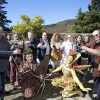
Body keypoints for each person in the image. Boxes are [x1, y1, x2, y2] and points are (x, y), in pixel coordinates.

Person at [81, 30, 100, 100]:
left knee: (98, 79)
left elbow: (98, 52)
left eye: (96, 35)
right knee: (95, 77)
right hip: (94, 62)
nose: (95, 37)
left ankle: (99, 96)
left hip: (99, 64)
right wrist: (83, 47)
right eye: (94, 35)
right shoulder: (94, 41)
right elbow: (87, 45)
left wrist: (86, 48)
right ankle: (95, 90)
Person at [0, 26, 11, 94]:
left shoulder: (4, 40)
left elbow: (9, 47)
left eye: (1, 32)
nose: (0, 33)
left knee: (2, 78)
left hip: (3, 63)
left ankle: (2, 90)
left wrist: (15, 47)